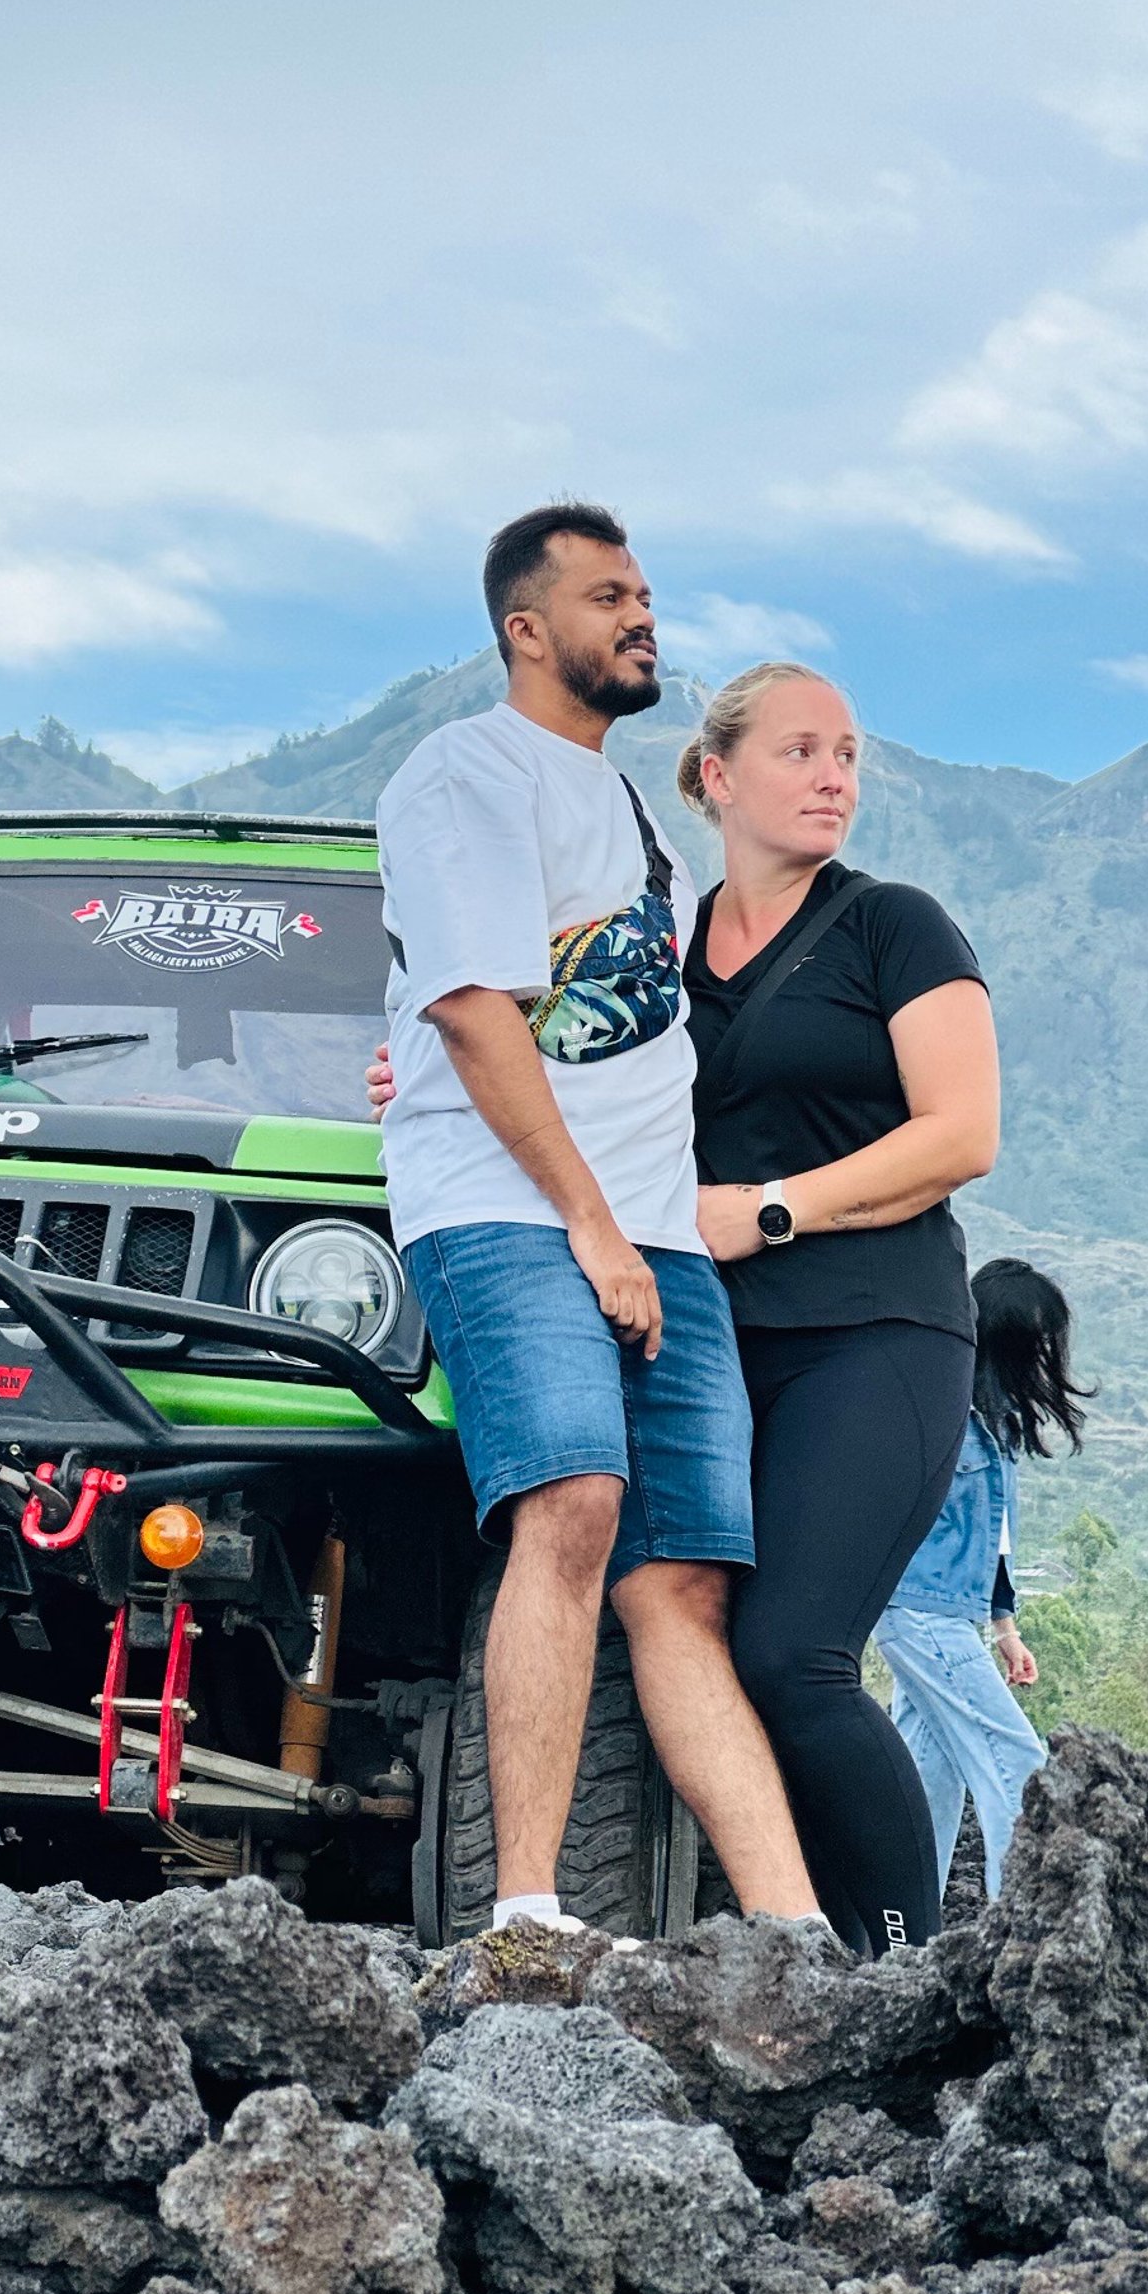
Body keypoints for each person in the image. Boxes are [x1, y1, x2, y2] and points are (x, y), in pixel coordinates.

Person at [373, 649, 1002, 1954]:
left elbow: (962, 1135)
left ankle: (905, 1966)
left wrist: (770, 1206)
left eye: (847, 757)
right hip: (711, 1343)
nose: (834, 777)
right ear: (715, 777)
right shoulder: (656, 948)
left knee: (794, 1658)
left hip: (874, 1333)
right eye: (801, 751)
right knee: (692, 1632)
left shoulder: (896, 926)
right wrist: (419, 1078)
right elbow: (531, 1054)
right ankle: (782, 1943)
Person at [375, 502, 822, 1940]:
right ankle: (525, 1912)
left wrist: (650, 1228)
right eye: (607, 597)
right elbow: (474, 1013)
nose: (641, 617)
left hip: (656, 1236)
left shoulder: (637, 818)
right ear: (527, 628)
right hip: (513, 1214)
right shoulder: (467, 773)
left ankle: (796, 1935)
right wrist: (593, 1227)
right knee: (569, 1504)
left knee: (683, 1581)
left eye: (644, 594)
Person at [871, 1257, 1087, 1899]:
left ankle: (907, 1946)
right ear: (1010, 1338)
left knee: (930, 1776)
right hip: (916, 1608)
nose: (1049, 1354)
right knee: (1016, 1763)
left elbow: (995, 1536)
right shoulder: (938, 1408)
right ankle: (1020, 1930)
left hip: (946, 1610)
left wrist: (1005, 1627)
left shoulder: (999, 1425)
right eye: (1041, 1339)